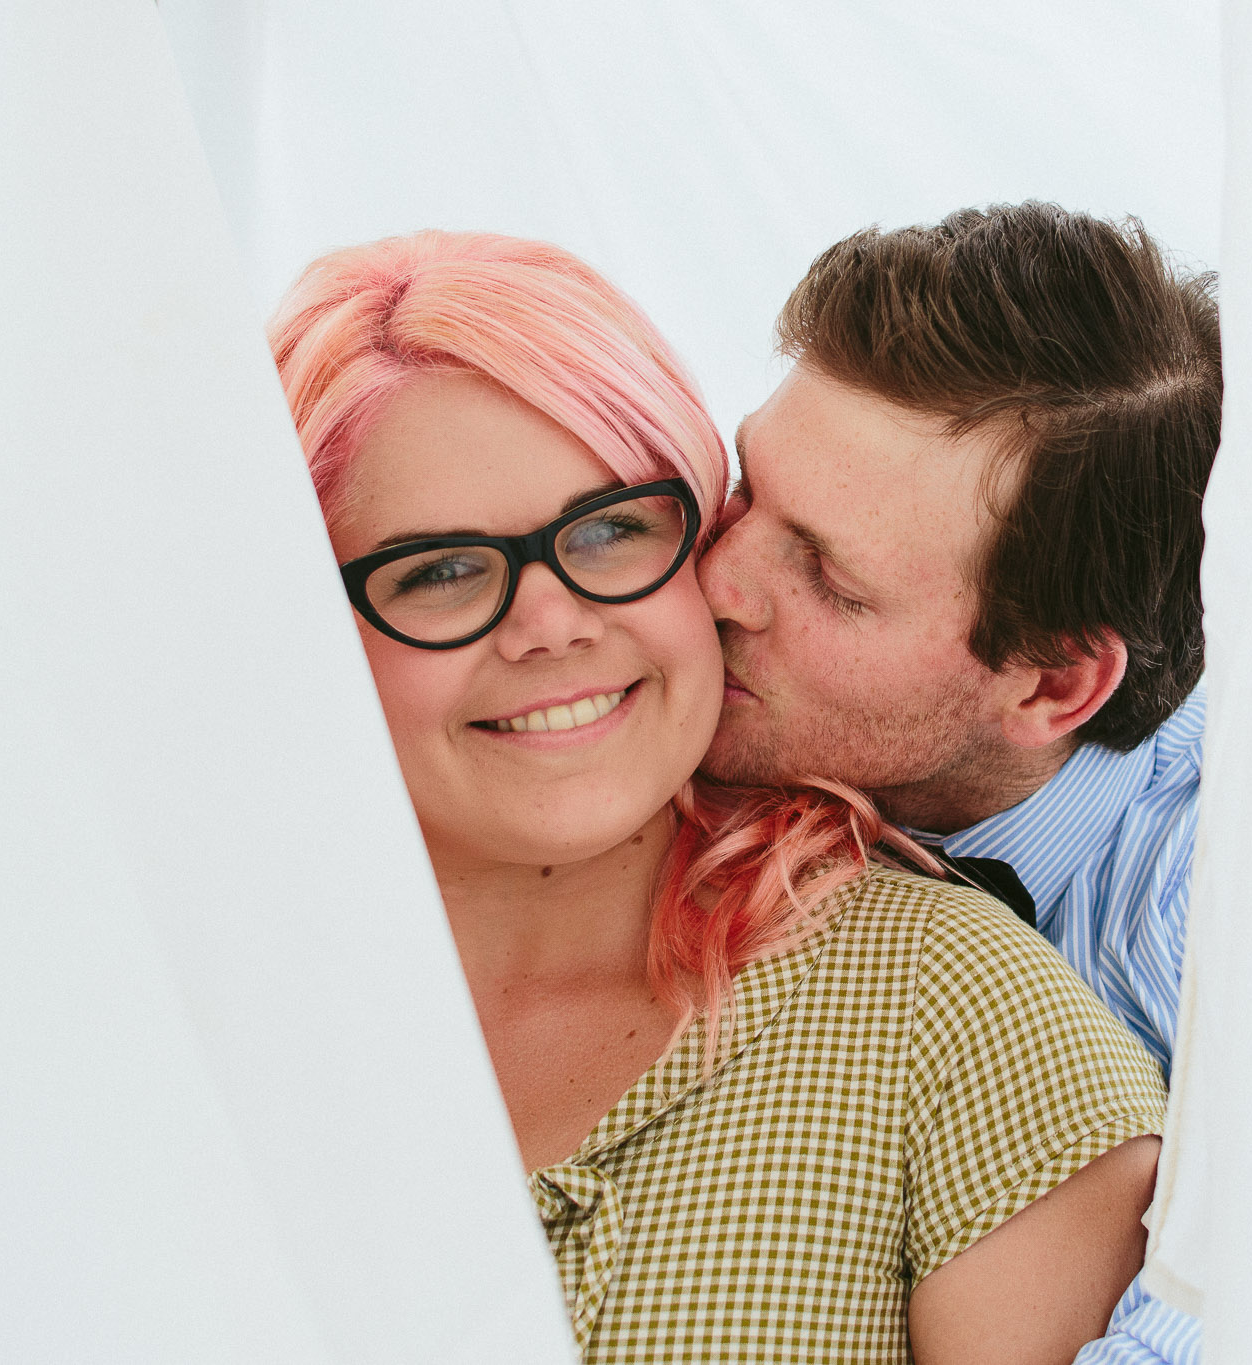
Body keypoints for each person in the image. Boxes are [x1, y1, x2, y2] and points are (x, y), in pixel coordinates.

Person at [266, 229, 1168, 1365]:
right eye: (438, 570)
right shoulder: (169, 1022)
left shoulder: (960, 1014)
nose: (552, 624)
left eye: (608, 531)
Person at [698, 202, 1219, 1364]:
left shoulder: (1220, 925)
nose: (718, 581)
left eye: (826, 577)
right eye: (748, 488)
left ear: (1049, 685)